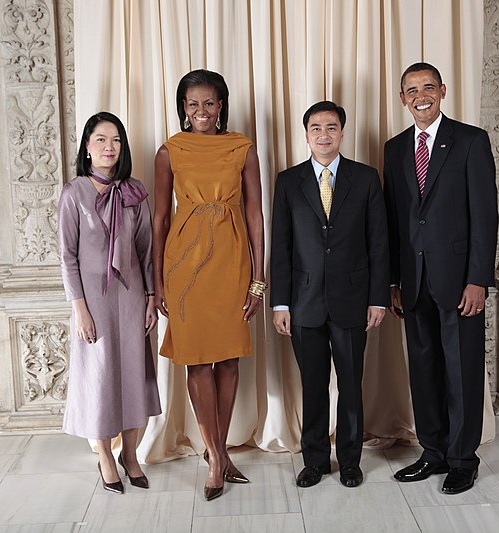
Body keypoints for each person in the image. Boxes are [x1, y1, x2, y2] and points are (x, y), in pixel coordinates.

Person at [383, 63, 498, 494]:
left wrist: (478, 279)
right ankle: (432, 451)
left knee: (462, 370)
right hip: (413, 282)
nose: (421, 95)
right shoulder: (394, 150)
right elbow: (395, 220)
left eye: (428, 87)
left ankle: (463, 459)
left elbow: (485, 217)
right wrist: (393, 280)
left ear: (443, 91)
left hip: (459, 281)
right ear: (403, 99)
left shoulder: (470, 141)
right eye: (412, 90)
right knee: (425, 369)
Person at [152, 69, 265, 501]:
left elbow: (255, 215)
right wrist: (158, 279)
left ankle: (218, 452)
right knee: (197, 361)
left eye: (209, 103)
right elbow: (160, 218)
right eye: (193, 103)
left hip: (232, 261)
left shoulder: (243, 148)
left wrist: (258, 278)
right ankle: (217, 456)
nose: (201, 111)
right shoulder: (170, 151)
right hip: (185, 267)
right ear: (183, 107)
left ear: (221, 106)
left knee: (230, 359)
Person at [271, 101, 389, 489]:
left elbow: (378, 242)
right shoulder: (288, 181)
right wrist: (281, 302)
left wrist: (378, 298)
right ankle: (315, 460)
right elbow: (282, 246)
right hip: (303, 304)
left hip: (354, 300)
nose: (324, 134)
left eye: (332, 127)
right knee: (314, 386)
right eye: (316, 128)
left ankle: (351, 461)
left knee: (352, 385)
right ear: (306, 135)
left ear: (342, 132)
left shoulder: (366, 178)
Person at [58, 112, 161, 494]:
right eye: (100, 139)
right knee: (98, 379)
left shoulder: (135, 191)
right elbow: (67, 256)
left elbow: (147, 251)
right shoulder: (74, 194)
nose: (108, 147)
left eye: (115, 140)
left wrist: (151, 297)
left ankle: (130, 455)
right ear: (87, 146)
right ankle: (104, 455)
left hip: (132, 296)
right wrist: (79, 308)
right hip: (93, 302)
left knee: (135, 374)